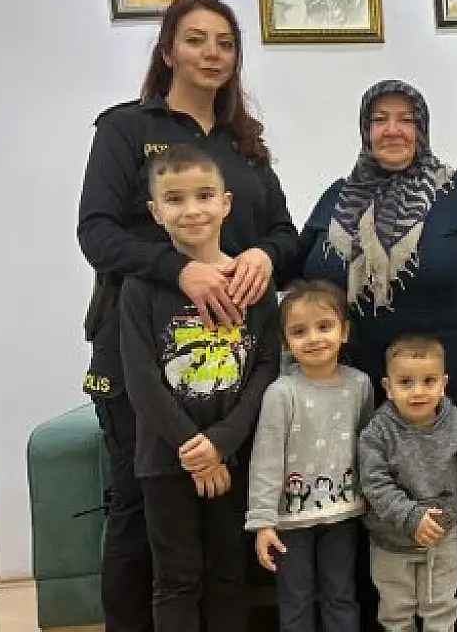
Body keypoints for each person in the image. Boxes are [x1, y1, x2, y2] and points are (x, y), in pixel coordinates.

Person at [76, 0, 298, 632]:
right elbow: (97, 234)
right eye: (196, 39)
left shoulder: (245, 144)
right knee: (136, 512)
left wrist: (262, 254)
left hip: (232, 367)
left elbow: (287, 236)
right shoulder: (125, 129)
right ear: (169, 50)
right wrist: (178, 268)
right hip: (141, 355)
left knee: (226, 523)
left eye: (225, 43)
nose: (211, 53)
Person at [294, 79, 457, 632]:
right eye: (379, 119)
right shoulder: (337, 198)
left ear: (422, 127)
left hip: (455, 395)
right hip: (365, 396)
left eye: (405, 119)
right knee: (377, 516)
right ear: (364, 129)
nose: (392, 130)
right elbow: (297, 269)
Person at [119, 144, 282, 632]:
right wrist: (195, 449)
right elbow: (141, 380)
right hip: (166, 462)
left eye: (204, 195)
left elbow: (265, 370)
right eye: (175, 199)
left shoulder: (252, 284)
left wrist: (222, 443)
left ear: (225, 203)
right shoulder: (140, 287)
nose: (192, 210)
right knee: (177, 579)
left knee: (228, 576)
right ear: (155, 211)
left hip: (234, 458)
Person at [246, 280, 374, 632]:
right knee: (296, 600)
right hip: (290, 521)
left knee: (341, 595)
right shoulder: (280, 393)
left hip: (344, 514)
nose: (314, 338)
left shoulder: (360, 385)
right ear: (285, 342)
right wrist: (263, 522)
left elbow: (370, 449)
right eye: (299, 331)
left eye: (324, 326)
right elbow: (266, 460)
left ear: (344, 331)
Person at [358, 335, 457, 632]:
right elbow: (374, 483)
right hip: (391, 542)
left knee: (442, 608)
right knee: (396, 613)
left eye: (429, 381)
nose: (418, 392)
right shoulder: (377, 432)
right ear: (388, 387)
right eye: (405, 383)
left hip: (442, 539)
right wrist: (410, 516)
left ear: (444, 383)